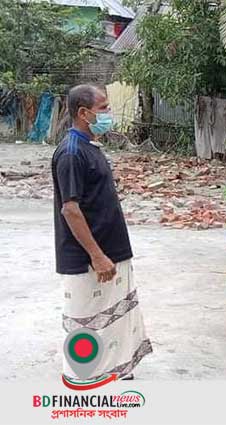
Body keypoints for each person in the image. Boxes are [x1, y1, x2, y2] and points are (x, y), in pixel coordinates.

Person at [53, 84, 152, 380]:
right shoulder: (71, 153)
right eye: (104, 108)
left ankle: (115, 369)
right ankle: (84, 380)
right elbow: (70, 210)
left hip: (112, 248)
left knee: (115, 317)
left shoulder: (90, 146)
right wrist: (96, 256)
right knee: (86, 321)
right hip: (89, 257)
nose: (109, 113)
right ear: (84, 113)